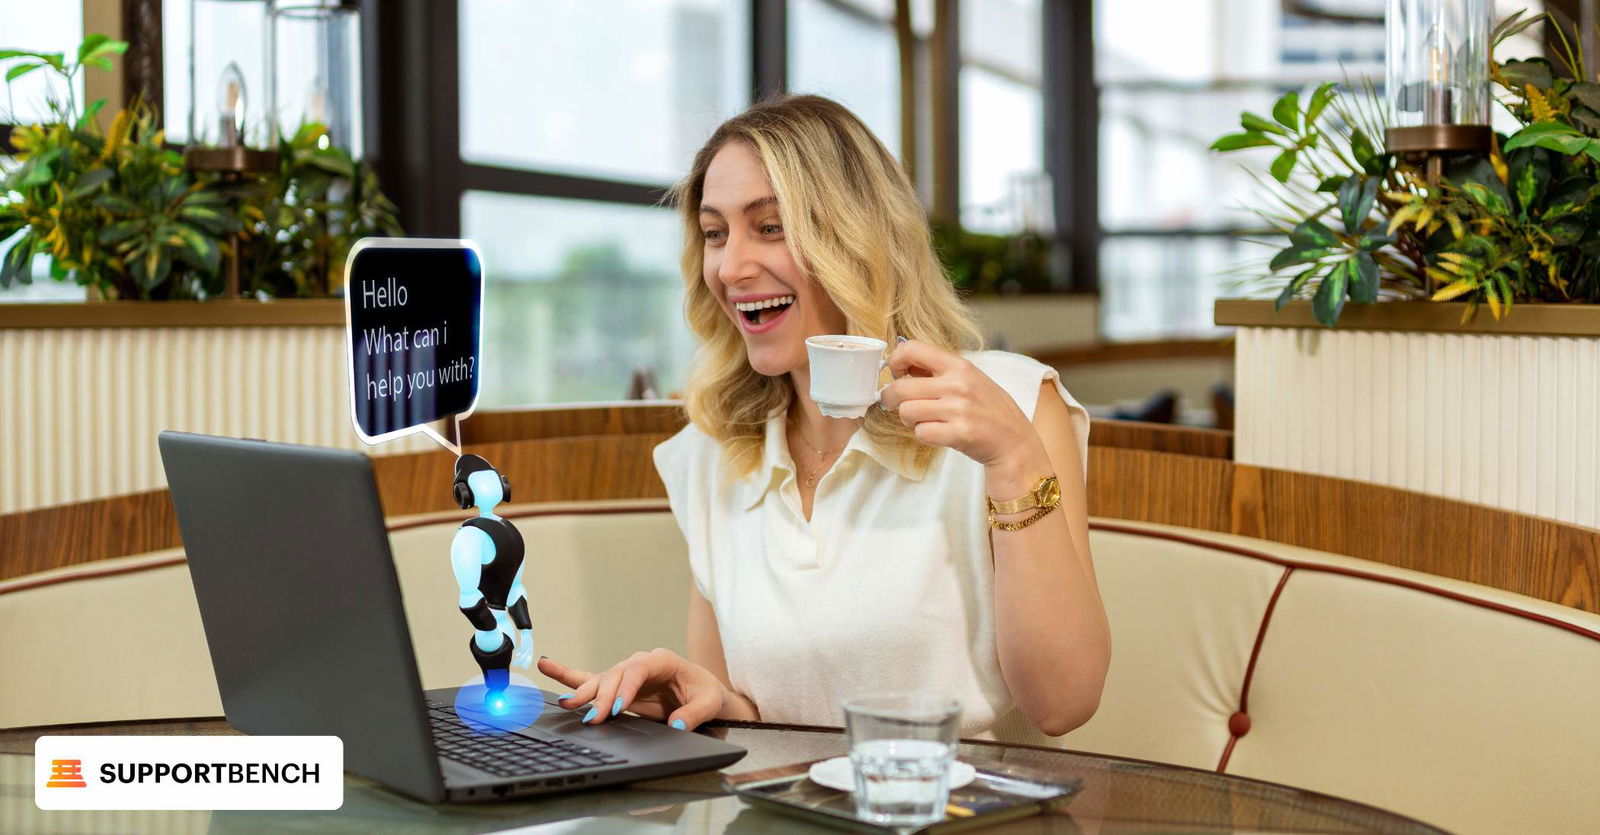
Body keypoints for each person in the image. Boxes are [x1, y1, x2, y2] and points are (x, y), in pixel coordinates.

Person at [538, 95, 1109, 739]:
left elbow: (1064, 704)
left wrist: (1013, 459)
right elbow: (754, 725)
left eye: (772, 226)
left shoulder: (1011, 403)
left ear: (858, 238)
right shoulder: (709, 453)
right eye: (716, 233)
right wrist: (709, 702)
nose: (732, 267)